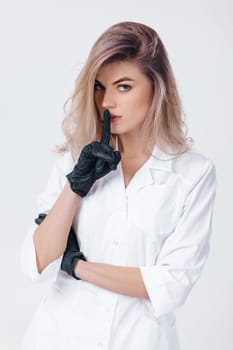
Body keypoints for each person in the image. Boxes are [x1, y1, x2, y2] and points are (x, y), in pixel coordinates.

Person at [20, 21, 217, 350]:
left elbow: (170, 283)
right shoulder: (73, 162)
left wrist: (77, 266)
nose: (107, 102)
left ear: (156, 87)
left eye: (124, 87)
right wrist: (75, 187)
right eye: (99, 87)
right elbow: (37, 263)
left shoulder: (193, 174)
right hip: (58, 338)